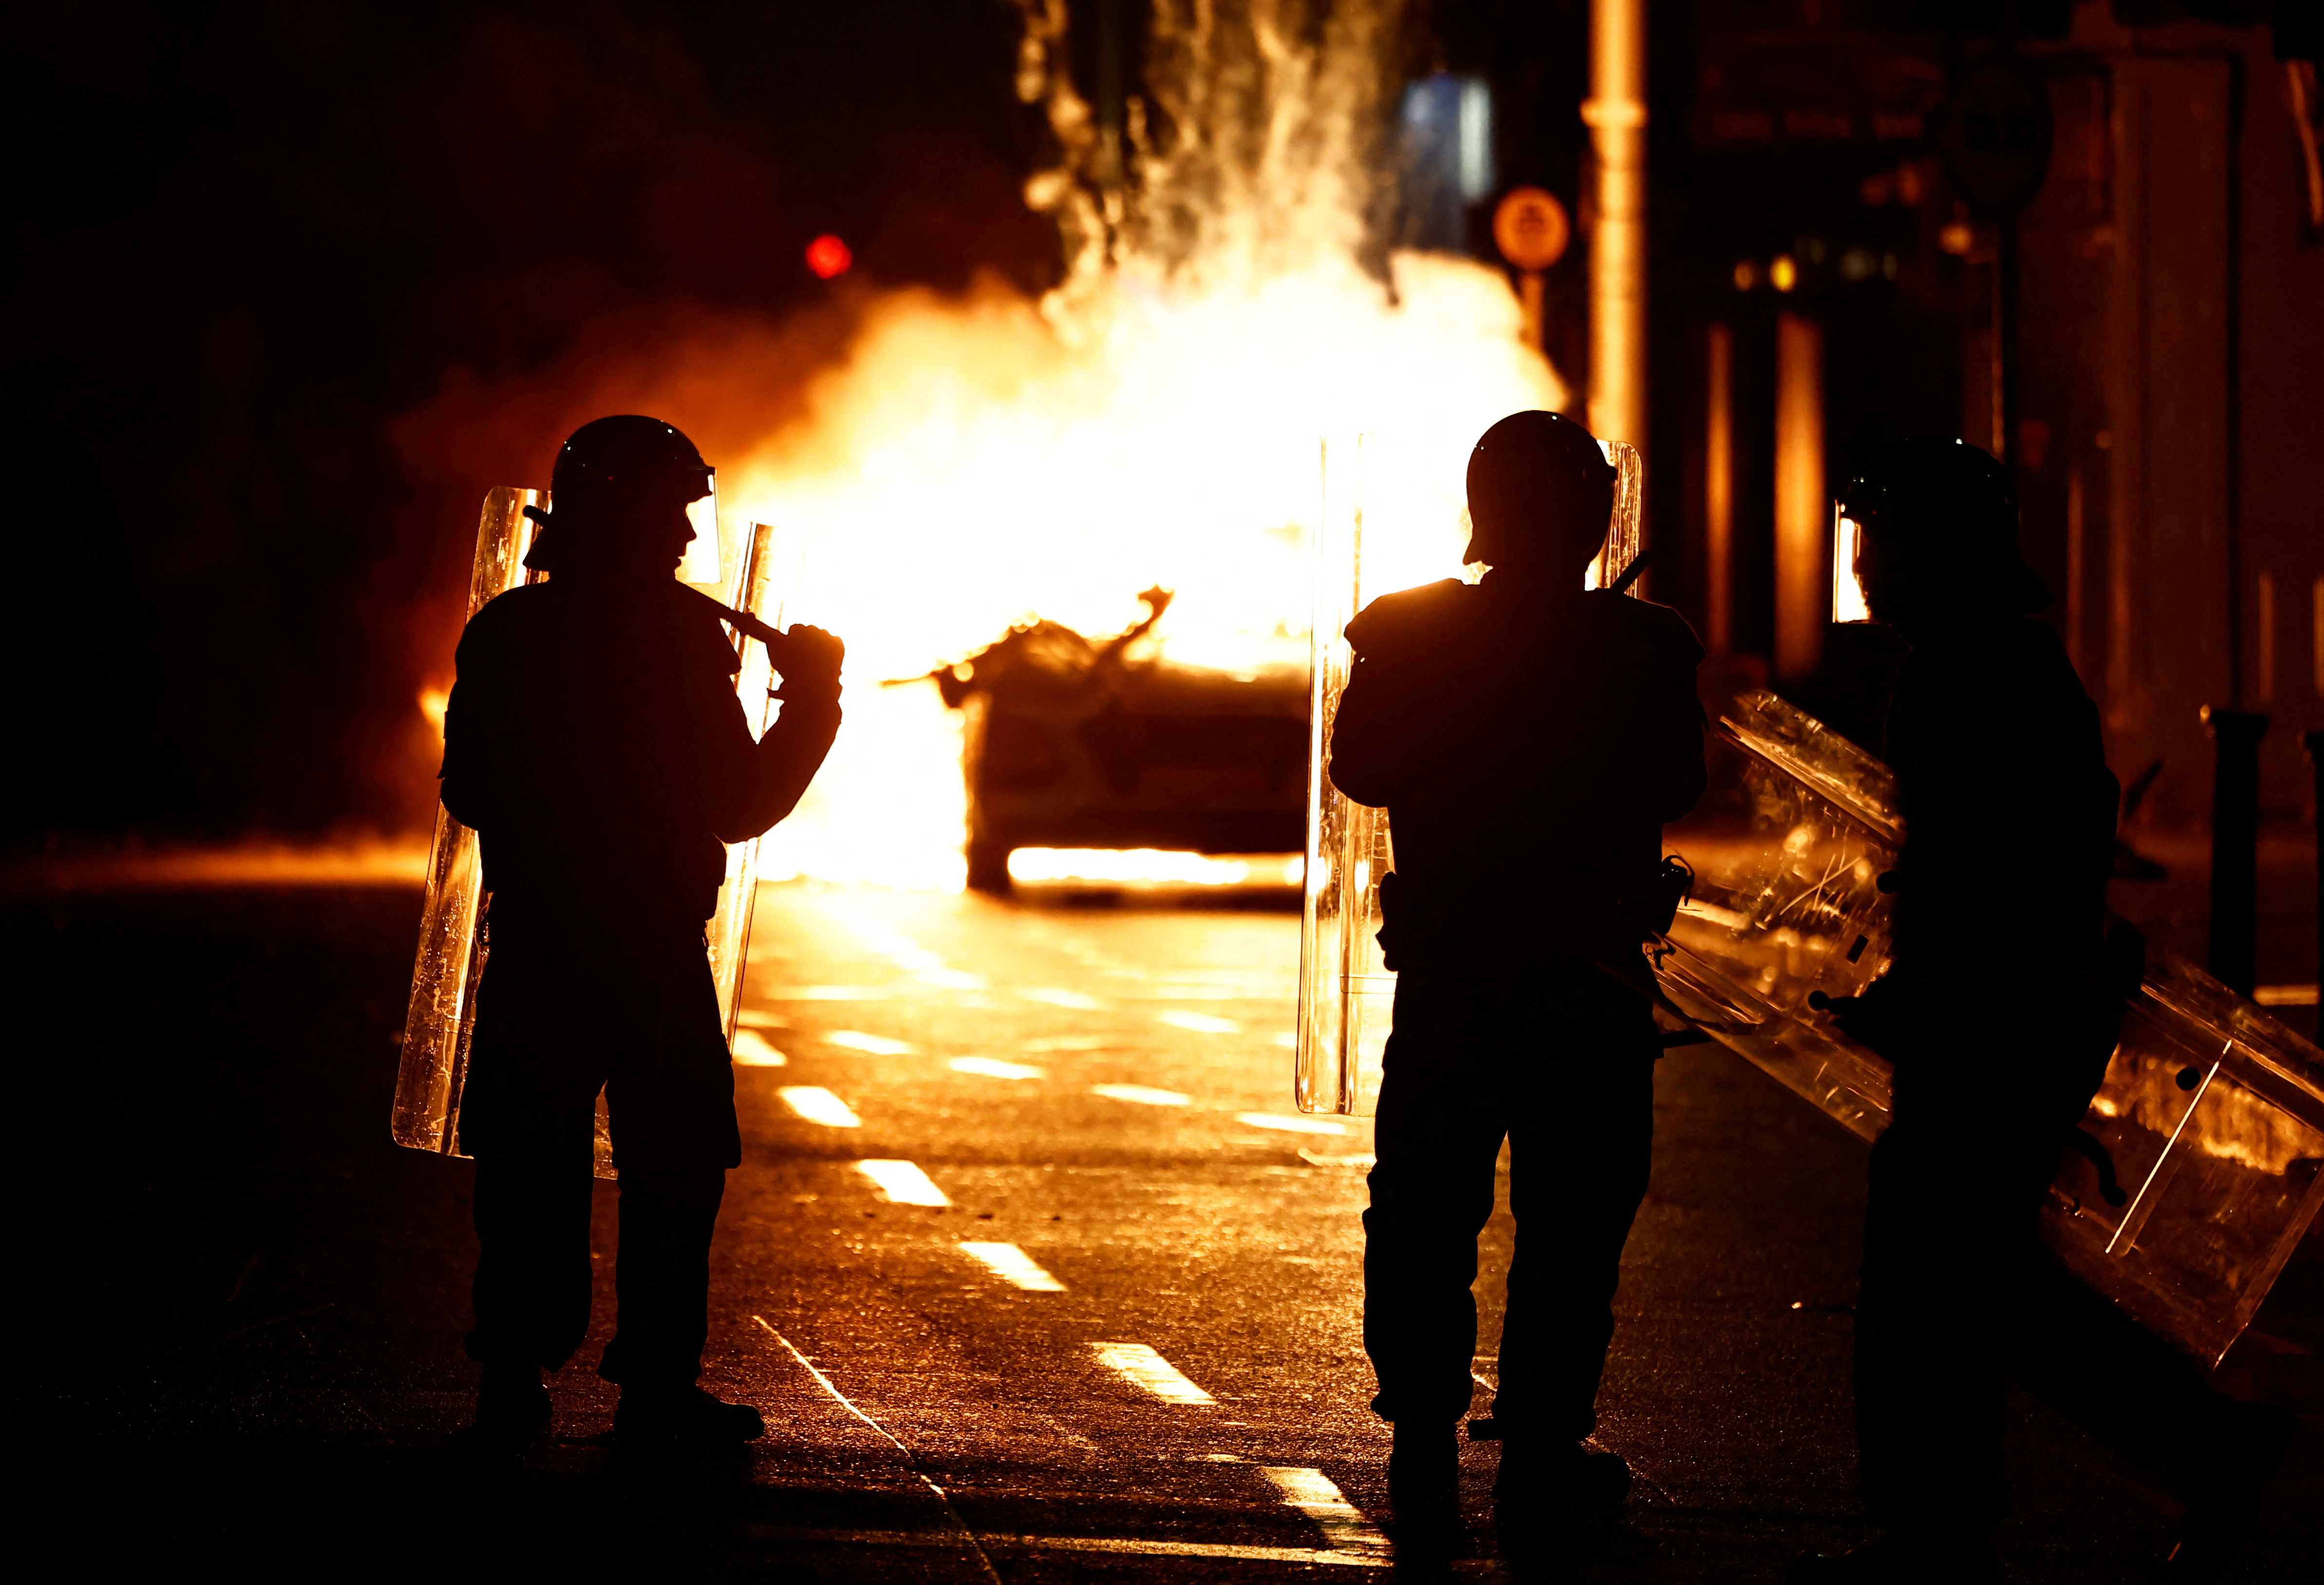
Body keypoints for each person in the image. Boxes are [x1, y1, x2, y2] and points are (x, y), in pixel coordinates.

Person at [1790, 440, 2293, 1584]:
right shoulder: (2002, 663)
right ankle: (2152, 1462)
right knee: (1979, 1276)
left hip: (1996, 1021)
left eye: (1882, 545)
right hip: (2021, 1010)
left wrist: (1922, 1001)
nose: (1866, 570)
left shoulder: (1962, 677)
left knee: (1938, 1270)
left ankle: (1952, 1524)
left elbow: (1978, 874)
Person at [1327, 411, 1707, 1543]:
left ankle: (1422, 1431)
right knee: (1573, 1217)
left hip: (1456, 970)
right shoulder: (1642, 647)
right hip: (1583, 977)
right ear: (1592, 519)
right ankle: (1541, 1442)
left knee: (1427, 1208)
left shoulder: (1411, 630)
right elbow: (1678, 780)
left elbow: (1363, 768)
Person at [439, 415, 843, 1447]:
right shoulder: (671, 640)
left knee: (531, 1162)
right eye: (668, 508)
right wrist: (813, 701)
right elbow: (740, 803)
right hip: (647, 946)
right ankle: (656, 1386)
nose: (683, 534)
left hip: (537, 942)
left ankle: (513, 1373)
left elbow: (473, 788)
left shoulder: (506, 633)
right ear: (628, 514)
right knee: (673, 1166)